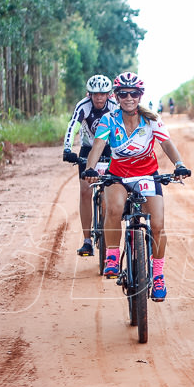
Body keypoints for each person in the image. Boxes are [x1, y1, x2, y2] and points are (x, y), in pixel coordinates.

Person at [82, 72, 191, 301]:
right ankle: (112, 255)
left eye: (133, 93)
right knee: (114, 208)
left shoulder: (151, 119)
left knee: (158, 225)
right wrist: (91, 169)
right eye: (123, 93)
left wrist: (179, 164)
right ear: (116, 96)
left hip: (147, 174)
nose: (128, 98)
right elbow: (98, 146)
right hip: (119, 174)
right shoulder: (109, 120)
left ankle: (158, 275)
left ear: (140, 95)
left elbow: (167, 144)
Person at [62, 74, 118, 257]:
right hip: (88, 149)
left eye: (103, 94)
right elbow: (73, 126)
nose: (99, 97)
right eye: (95, 94)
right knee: (85, 191)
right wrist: (67, 149)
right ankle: (87, 241)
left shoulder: (114, 107)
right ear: (89, 94)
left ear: (109, 94)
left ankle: (109, 240)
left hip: (109, 150)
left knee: (109, 192)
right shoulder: (83, 106)